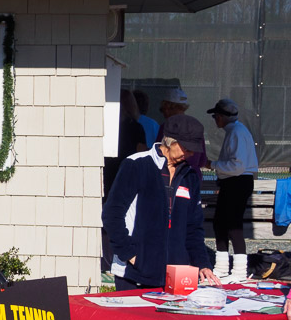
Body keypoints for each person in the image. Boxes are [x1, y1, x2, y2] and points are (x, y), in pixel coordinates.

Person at [103, 113, 220, 291]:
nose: (189, 153)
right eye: (185, 147)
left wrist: (202, 263)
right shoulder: (136, 165)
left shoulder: (190, 177)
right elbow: (112, 214)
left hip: (177, 274)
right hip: (134, 273)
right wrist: (130, 254)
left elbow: (194, 227)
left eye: (193, 149)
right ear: (169, 141)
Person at [206, 98, 259, 280]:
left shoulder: (236, 132)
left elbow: (238, 166)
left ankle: (239, 271)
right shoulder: (236, 131)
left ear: (221, 117)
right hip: (235, 182)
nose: (215, 120)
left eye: (215, 116)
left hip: (237, 182)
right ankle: (221, 268)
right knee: (221, 223)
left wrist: (212, 165)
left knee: (233, 225)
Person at [156, 88, 207, 173]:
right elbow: (202, 161)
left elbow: (158, 155)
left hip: (173, 177)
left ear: (168, 107)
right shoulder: (195, 126)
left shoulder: (166, 127)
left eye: (163, 109)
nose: (163, 112)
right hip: (193, 177)